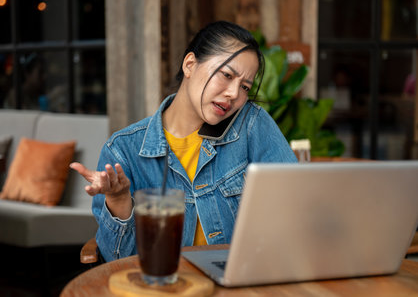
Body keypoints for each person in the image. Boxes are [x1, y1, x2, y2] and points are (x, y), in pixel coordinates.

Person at [71, 21, 297, 262]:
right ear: (190, 65)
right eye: (227, 75)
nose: (234, 94)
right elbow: (119, 262)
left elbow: (297, 208)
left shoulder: (251, 124)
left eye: (244, 87)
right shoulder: (123, 151)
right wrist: (118, 200)